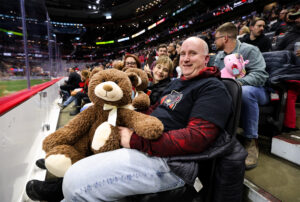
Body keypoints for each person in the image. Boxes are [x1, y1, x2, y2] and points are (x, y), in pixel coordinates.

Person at [26, 37, 246, 202]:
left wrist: (132, 139)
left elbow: (197, 138)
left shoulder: (212, 88)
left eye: (193, 54)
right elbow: (154, 114)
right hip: (146, 148)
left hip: (173, 164)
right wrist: (125, 122)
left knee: (75, 182)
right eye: (183, 53)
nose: (186, 58)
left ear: (206, 58)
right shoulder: (179, 83)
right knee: (79, 168)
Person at [213, 22, 269, 169]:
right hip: (231, 91)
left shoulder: (250, 50)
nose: (214, 42)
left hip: (257, 91)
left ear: (225, 38)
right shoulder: (218, 56)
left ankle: (251, 141)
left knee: (243, 91)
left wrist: (236, 83)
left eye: (216, 38)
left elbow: (260, 75)